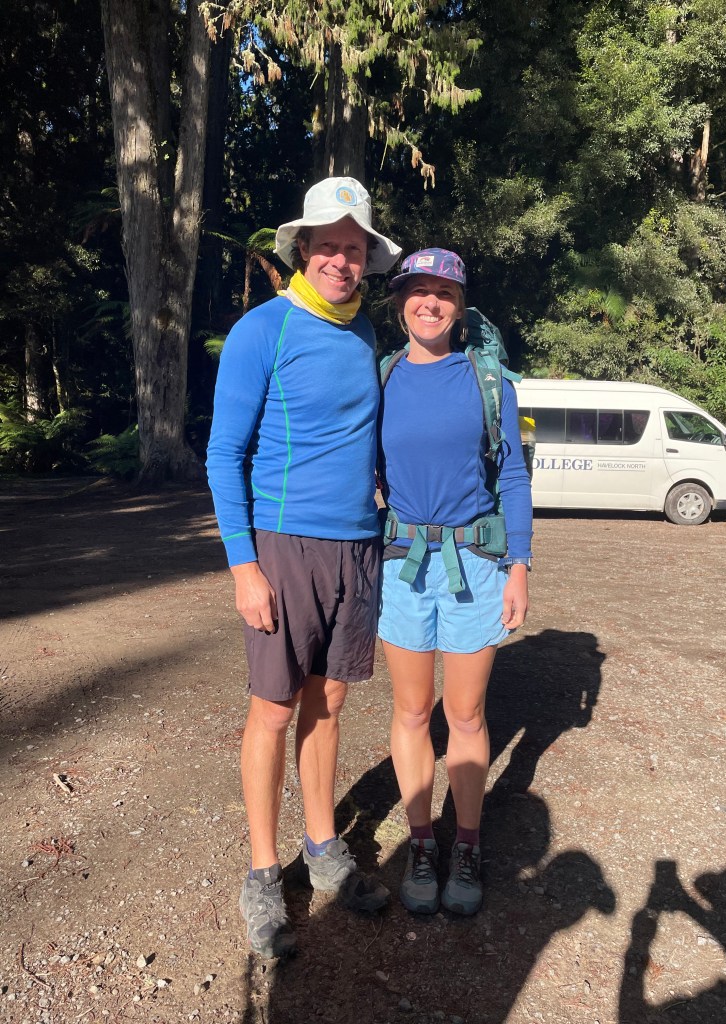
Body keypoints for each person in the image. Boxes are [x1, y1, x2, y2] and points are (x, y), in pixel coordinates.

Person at [206, 177, 401, 957]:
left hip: (359, 545)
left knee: (330, 703)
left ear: (365, 260)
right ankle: (262, 873)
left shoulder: (363, 335)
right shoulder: (264, 329)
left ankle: (323, 849)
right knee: (274, 709)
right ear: (303, 249)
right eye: (329, 246)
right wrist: (244, 567)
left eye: (354, 249)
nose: (341, 260)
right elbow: (224, 453)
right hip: (284, 545)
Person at [377, 248, 533, 916]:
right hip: (402, 566)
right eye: (418, 290)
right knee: (413, 712)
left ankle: (465, 845)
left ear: (460, 305)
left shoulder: (490, 381)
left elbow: (514, 477)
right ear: (400, 303)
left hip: (475, 564)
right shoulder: (380, 379)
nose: (430, 302)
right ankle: (421, 843)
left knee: (465, 714)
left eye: (444, 292)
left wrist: (519, 565)